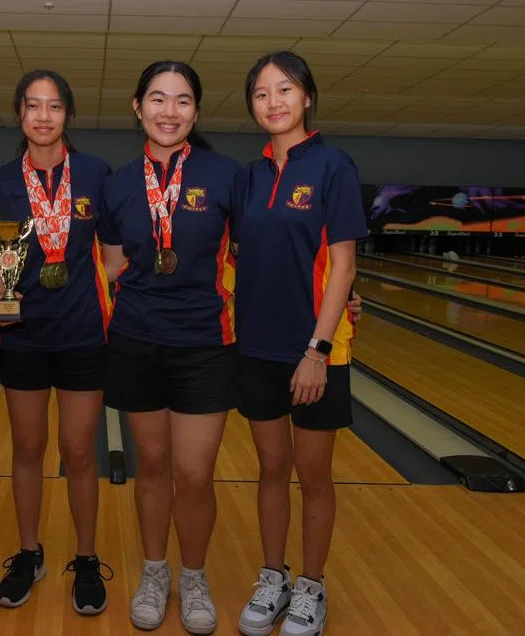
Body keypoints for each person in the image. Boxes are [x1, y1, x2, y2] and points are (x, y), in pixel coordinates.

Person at [98, 61, 240, 636]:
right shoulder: (117, 183)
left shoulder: (228, 175)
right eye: (157, 99)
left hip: (205, 342)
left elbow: (262, 252)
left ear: (196, 112)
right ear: (138, 107)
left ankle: (196, 574)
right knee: (151, 465)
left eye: (182, 101)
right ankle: (155, 571)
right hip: (136, 340)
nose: (168, 111)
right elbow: (111, 263)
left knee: (194, 474)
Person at [234, 51, 366, 636]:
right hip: (256, 347)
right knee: (270, 467)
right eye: (261, 94)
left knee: (313, 472)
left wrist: (317, 347)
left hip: (315, 349)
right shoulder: (249, 176)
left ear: (307, 96)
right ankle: (273, 576)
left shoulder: (333, 165)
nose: (273, 102)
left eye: (284, 89)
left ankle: (311, 585)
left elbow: (342, 265)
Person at [0, 70, 114, 614]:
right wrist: (1, 293)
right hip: (24, 334)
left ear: (68, 115)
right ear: (20, 114)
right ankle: (29, 551)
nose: (43, 116)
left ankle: (85, 557)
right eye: (33, 106)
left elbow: (115, 251)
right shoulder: (1, 179)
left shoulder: (95, 174)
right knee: (27, 447)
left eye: (54, 106)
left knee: (80, 452)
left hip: (83, 333)